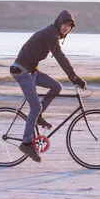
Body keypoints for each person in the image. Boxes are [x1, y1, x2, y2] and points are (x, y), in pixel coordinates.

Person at [9, 10, 87, 163]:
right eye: (65, 24)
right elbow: (60, 57)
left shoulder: (54, 35)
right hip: (21, 70)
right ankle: (26, 144)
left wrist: (73, 77)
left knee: (56, 87)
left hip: (31, 71)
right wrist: (75, 77)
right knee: (35, 106)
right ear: (59, 22)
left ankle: (37, 117)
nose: (66, 28)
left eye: (69, 26)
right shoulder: (51, 33)